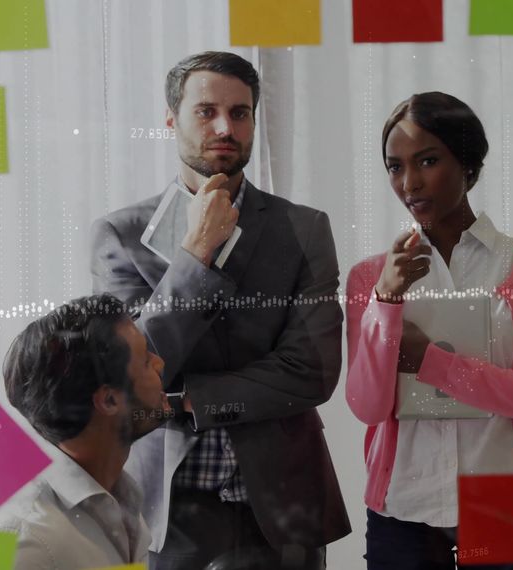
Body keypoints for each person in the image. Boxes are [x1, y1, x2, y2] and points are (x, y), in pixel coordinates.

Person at [90, 51, 349, 569]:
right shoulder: (119, 235)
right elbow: (129, 369)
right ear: (172, 120)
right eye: (206, 111)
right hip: (170, 504)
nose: (225, 127)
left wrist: (190, 401)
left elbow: (311, 372)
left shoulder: (303, 228)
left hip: (282, 503)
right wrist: (195, 254)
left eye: (241, 112)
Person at [345, 91, 513, 569]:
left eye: (427, 160)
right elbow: (367, 405)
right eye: (394, 167)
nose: (409, 183)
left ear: (468, 163)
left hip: (506, 500)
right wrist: (386, 301)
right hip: (402, 504)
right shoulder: (369, 278)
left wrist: (431, 362)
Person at [0, 293, 170, 568]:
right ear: (109, 400)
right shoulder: (19, 535)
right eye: (146, 362)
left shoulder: (119, 497)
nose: (160, 363)